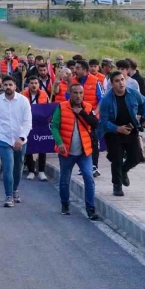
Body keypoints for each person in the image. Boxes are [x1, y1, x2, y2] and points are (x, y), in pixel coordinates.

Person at [50, 83, 100, 220]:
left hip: (84, 152)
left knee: (89, 179)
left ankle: (90, 209)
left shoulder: (88, 107)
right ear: (70, 94)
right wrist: (59, 143)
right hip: (66, 151)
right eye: (75, 93)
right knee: (65, 180)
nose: (78, 96)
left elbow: (95, 124)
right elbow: (54, 126)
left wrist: (82, 112)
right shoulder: (61, 107)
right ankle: (65, 204)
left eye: (81, 93)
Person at [96, 71, 145, 197]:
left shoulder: (133, 93)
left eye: (122, 79)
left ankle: (123, 171)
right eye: (117, 81)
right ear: (112, 84)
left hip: (130, 129)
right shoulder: (106, 100)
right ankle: (117, 185)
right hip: (113, 132)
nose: (121, 83)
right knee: (117, 158)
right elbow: (103, 121)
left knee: (136, 158)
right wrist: (117, 128)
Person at [0, 75, 32, 207]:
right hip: (3, 138)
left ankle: (15, 189)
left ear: (15, 86)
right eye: (5, 85)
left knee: (18, 167)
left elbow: (28, 122)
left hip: (20, 139)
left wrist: (21, 137)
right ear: (2, 86)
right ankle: (8, 196)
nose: (8, 87)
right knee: (8, 167)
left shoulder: (23, 101)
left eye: (10, 85)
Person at [21, 76, 49, 181]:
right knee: (29, 147)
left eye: (36, 83)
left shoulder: (44, 94)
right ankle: (31, 170)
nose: (34, 85)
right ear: (28, 84)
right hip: (27, 123)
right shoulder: (22, 94)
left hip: (40, 124)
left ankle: (41, 171)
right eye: (31, 83)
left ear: (39, 84)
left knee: (42, 148)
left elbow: (47, 109)